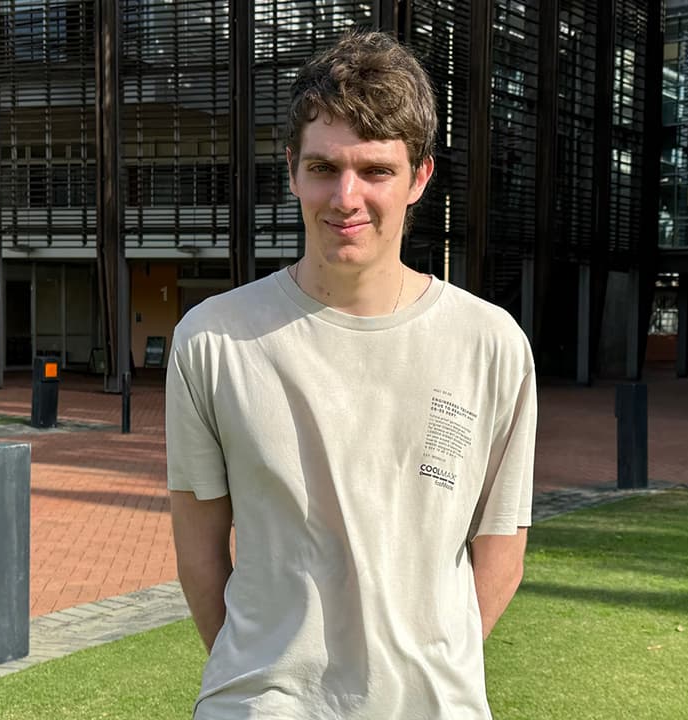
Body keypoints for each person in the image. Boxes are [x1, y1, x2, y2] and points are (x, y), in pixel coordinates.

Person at [166, 30, 537, 719]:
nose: (345, 196)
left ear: (420, 177)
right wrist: (266, 683)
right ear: (290, 170)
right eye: (322, 167)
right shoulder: (214, 341)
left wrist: (427, 672)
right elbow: (199, 553)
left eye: (375, 170)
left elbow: (500, 553)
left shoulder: (491, 345)